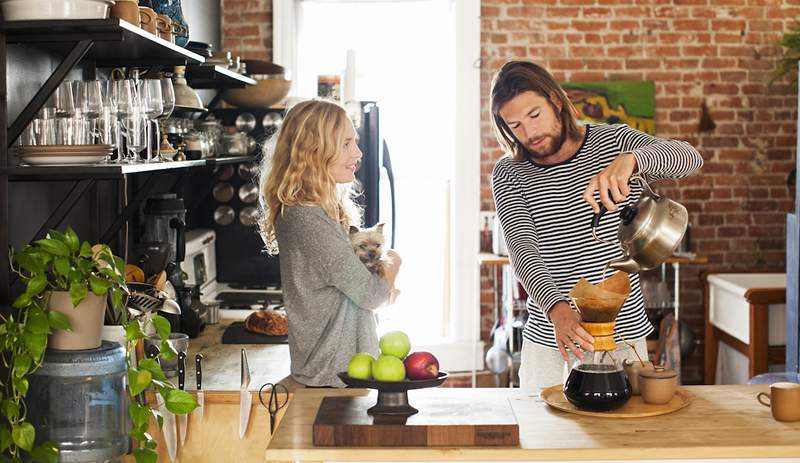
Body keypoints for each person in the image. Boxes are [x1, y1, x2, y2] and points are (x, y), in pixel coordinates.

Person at [489, 61, 703, 392]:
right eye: (515, 125)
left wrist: (632, 160)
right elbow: (523, 251)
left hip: (623, 336)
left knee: (623, 439)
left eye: (535, 115)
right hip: (551, 339)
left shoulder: (613, 142)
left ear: (555, 102)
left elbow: (690, 158)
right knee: (542, 439)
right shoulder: (509, 173)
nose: (529, 133)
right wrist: (558, 312)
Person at [258, 99, 402, 388]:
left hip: (340, 370)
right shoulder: (308, 219)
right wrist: (393, 264)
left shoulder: (316, 211)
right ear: (313, 151)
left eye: (356, 142)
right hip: (331, 376)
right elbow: (370, 295)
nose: (358, 153)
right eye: (346, 144)